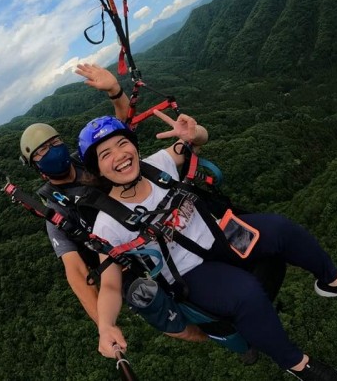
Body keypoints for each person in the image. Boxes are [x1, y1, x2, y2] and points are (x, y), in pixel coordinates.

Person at [76, 111, 337, 381]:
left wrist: (195, 133)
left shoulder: (158, 165)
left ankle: (332, 281)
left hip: (220, 235)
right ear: (99, 170)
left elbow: (197, 141)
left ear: (134, 145)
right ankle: (297, 364)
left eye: (122, 144)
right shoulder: (108, 223)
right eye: (105, 154)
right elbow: (112, 284)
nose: (119, 155)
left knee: (282, 229)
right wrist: (105, 325)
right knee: (246, 295)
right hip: (190, 271)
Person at [19, 63, 208, 342]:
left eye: (54, 142)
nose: (51, 151)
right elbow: (77, 273)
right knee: (152, 305)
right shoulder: (56, 210)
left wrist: (115, 92)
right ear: (35, 166)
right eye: (41, 152)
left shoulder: (87, 162)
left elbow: (118, 132)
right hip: (120, 254)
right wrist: (103, 327)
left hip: (150, 215)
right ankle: (209, 335)